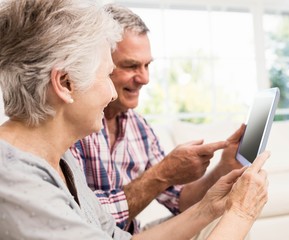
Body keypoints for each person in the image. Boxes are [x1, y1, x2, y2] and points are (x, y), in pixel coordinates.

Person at [0, 0, 270, 239]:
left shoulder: (60, 160)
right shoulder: (14, 179)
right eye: (107, 75)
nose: (110, 93)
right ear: (65, 83)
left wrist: (211, 206)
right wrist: (242, 213)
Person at [71, 3, 257, 235]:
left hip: (132, 234)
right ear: (99, 64)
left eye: (147, 65)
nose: (145, 78)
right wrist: (163, 172)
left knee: (222, 218)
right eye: (131, 66)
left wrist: (224, 166)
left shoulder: (138, 127)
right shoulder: (71, 124)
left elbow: (181, 201)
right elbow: (83, 220)